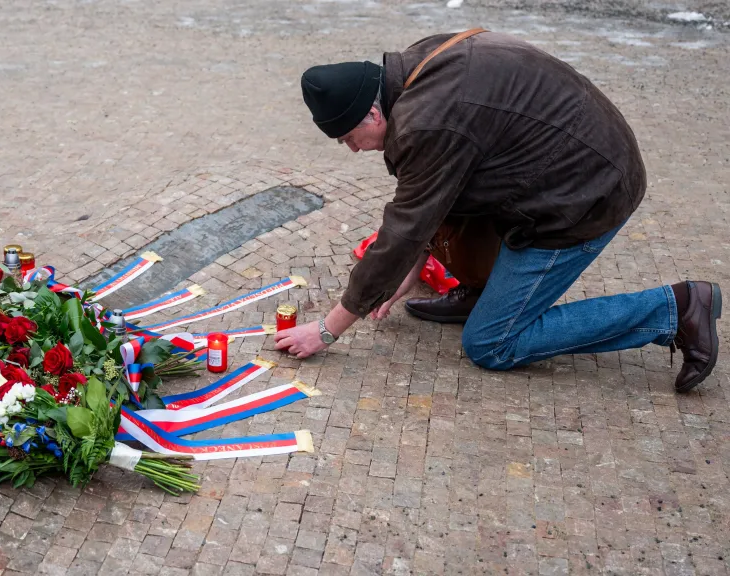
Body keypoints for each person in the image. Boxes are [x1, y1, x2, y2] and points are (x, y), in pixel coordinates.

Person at [274, 29, 721, 392]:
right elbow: (435, 192)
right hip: (567, 156)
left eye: (348, 138)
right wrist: (414, 264)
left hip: (585, 193)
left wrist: (328, 329)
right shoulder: (416, 65)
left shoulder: (426, 122)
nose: (353, 149)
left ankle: (676, 308)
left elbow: (405, 227)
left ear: (373, 114)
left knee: (492, 343)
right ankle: (481, 291)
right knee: (435, 224)